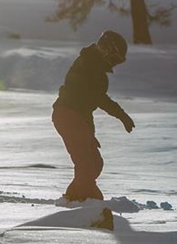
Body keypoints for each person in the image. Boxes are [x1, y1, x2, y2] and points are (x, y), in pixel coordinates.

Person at [52, 30, 135, 202]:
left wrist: (89, 133)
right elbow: (96, 97)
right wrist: (121, 115)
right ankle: (91, 206)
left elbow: (87, 106)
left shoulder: (95, 66)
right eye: (115, 58)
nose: (114, 63)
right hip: (67, 114)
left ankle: (72, 199)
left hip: (76, 117)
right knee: (86, 166)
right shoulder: (89, 65)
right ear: (106, 50)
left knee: (95, 163)